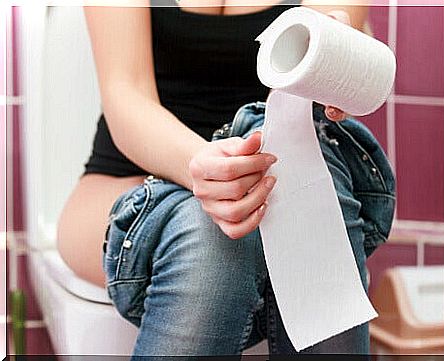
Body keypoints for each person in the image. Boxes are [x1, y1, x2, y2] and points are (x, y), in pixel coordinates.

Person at [57, 0, 395, 357]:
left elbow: (320, 63)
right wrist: (202, 165)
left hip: (275, 173)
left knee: (284, 220)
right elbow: (127, 93)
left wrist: (333, 52)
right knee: (211, 234)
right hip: (136, 172)